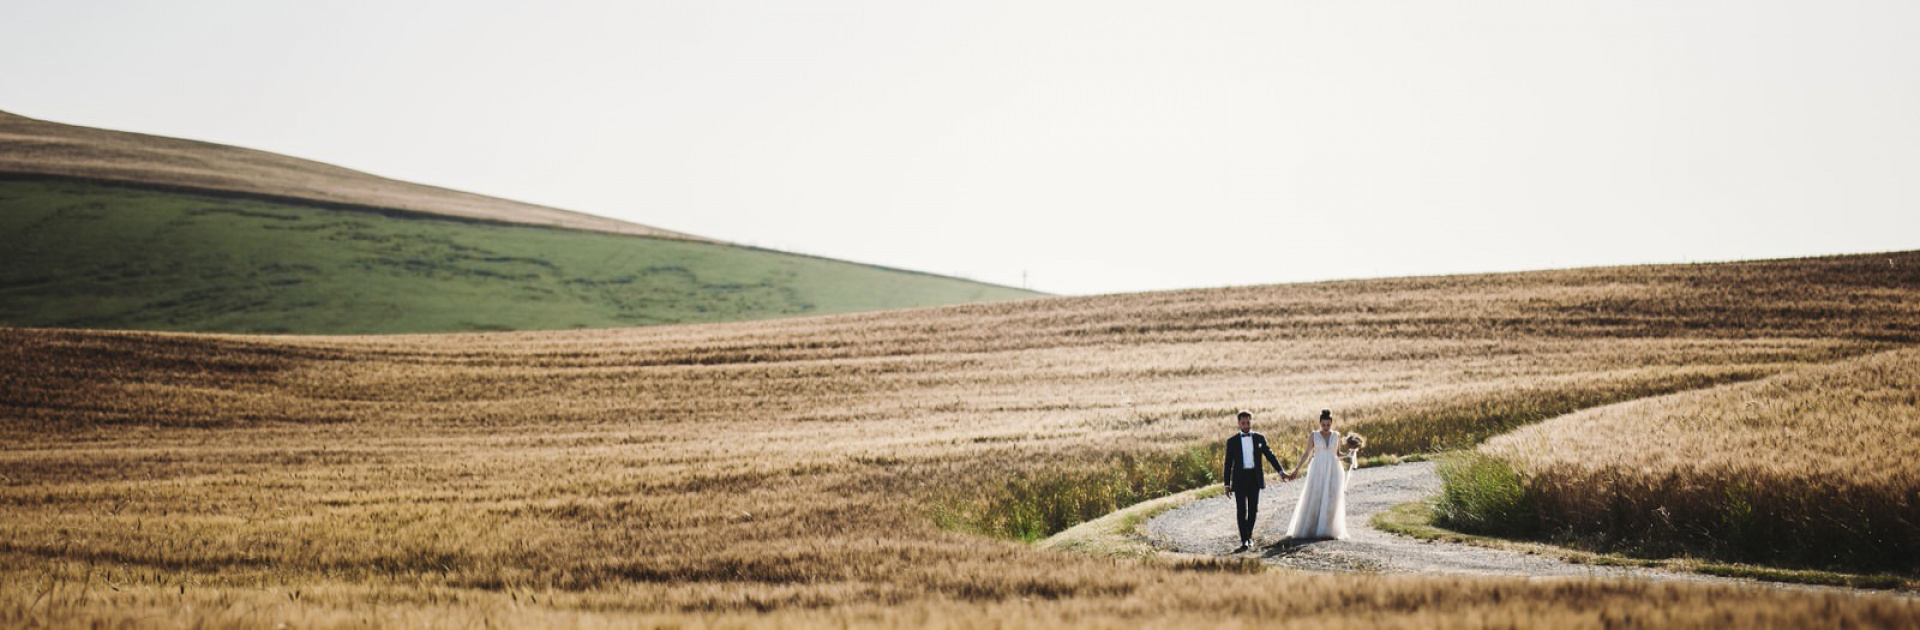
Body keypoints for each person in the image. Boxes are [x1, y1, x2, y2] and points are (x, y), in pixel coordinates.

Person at [1221, 410, 1289, 551]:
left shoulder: (1259, 438)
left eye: (1248, 422)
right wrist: (1227, 484)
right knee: (1241, 510)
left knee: (1253, 510)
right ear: (1239, 424)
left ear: (1251, 422)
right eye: (1243, 423)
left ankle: (1249, 535)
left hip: (1254, 478)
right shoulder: (1232, 442)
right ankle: (1244, 540)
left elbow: (1270, 456)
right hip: (1239, 479)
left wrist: (1281, 471)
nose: (1246, 425)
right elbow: (1228, 464)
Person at [1284, 409, 1350, 540]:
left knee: (1331, 497)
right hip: (1318, 469)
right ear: (1320, 423)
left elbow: (1337, 454)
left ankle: (1328, 529)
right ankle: (1312, 528)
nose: (1326, 427)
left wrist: (1348, 455)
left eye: (1328, 424)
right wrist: (1296, 469)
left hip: (1334, 469)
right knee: (1316, 495)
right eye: (1323, 424)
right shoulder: (1314, 435)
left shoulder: (1336, 435)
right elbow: (1307, 453)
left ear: (1331, 423)